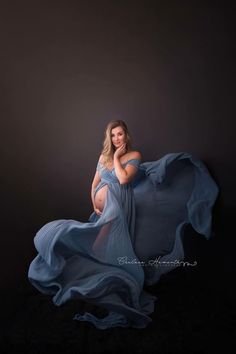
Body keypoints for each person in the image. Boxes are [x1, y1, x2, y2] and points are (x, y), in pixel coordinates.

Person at [28, 120, 219, 329]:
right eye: (113, 135)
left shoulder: (134, 156)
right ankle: (84, 274)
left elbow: (124, 180)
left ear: (126, 136)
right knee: (97, 245)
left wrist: (118, 158)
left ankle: (114, 283)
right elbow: (94, 184)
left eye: (120, 134)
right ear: (109, 138)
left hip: (119, 205)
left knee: (105, 245)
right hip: (105, 207)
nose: (116, 138)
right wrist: (95, 204)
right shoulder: (102, 157)